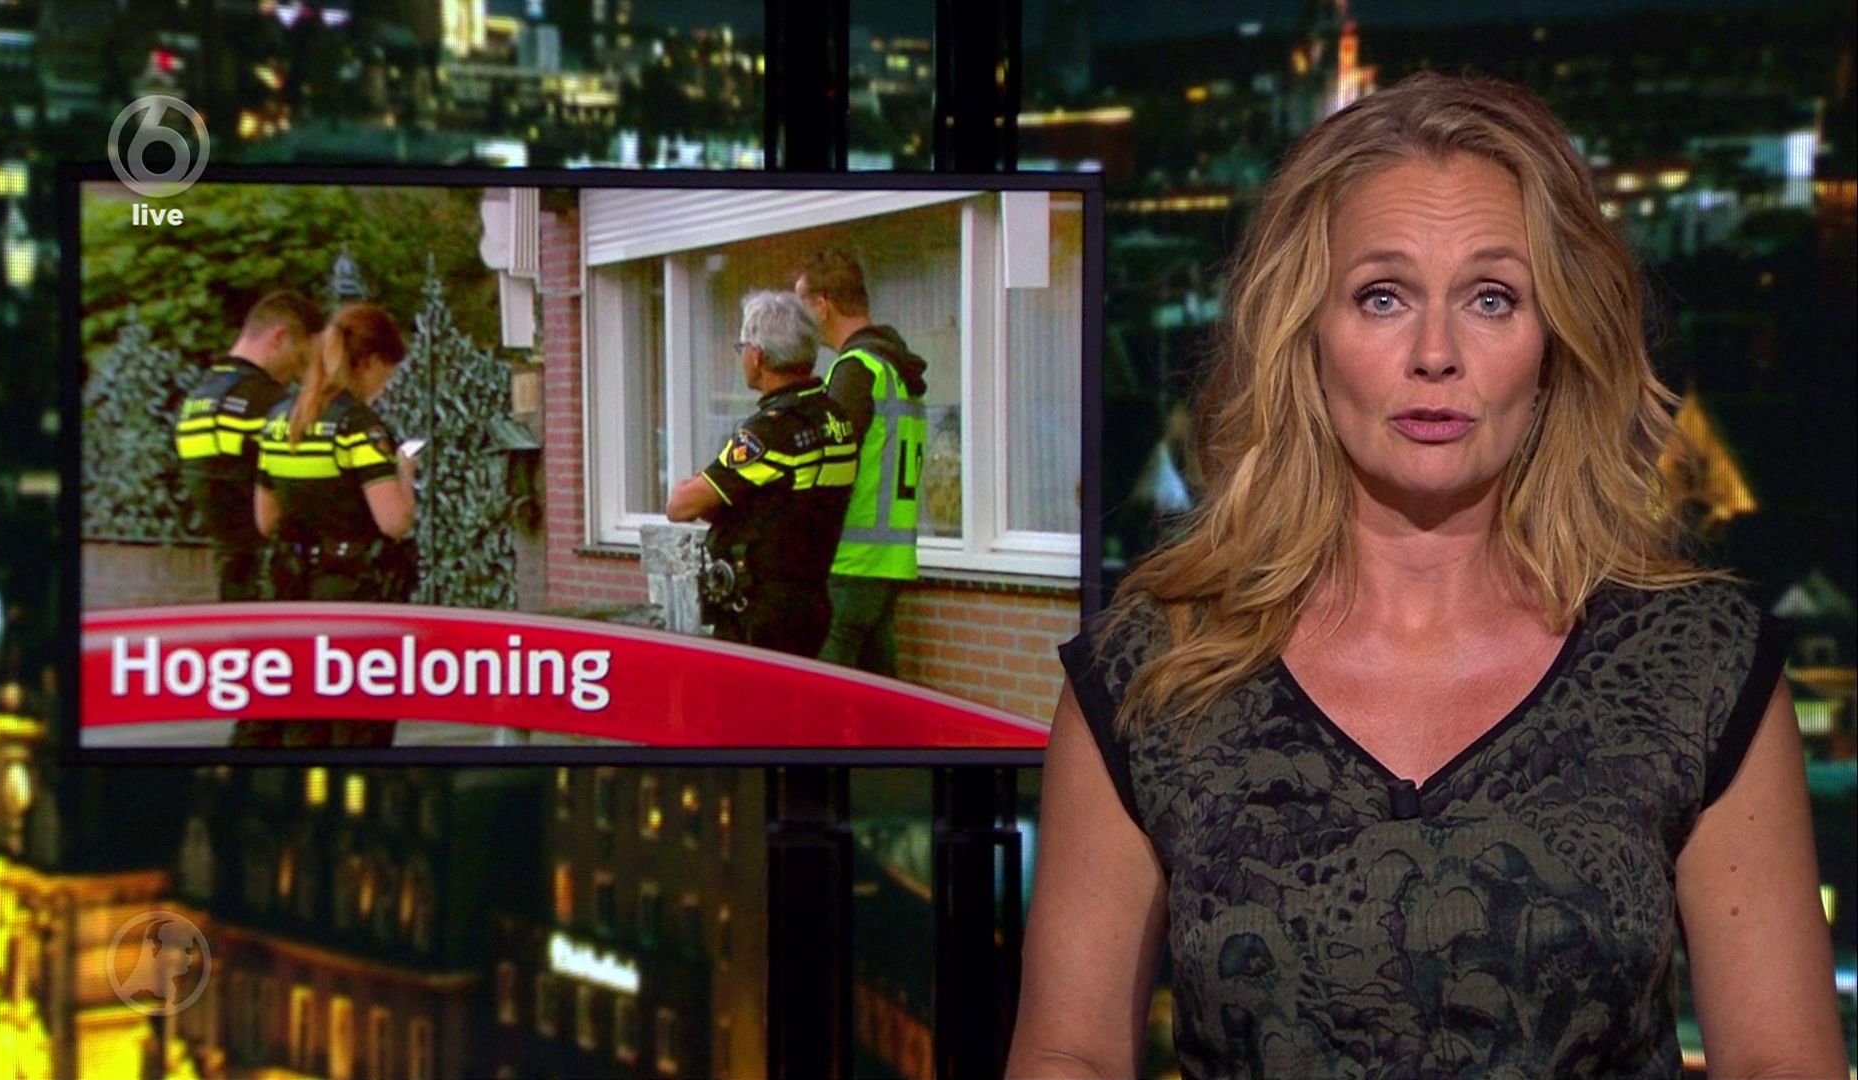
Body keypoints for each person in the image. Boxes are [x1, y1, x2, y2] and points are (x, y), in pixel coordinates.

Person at [1008, 72, 1848, 1079]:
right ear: (1304, 334)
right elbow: (1069, 1057)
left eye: (1492, 298)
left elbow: (1780, 1063)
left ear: (1556, 342)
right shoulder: (1151, 676)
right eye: (1383, 296)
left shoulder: (1700, 671)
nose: (1436, 354)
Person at [235, 302, 415, 748]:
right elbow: (394, 522)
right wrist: (404, 472)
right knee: (359, 725)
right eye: (387, 373)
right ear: (370, 362)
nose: (384, 385)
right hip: (355, 596)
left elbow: (266, 520)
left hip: (293, 592)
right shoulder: (358, 426)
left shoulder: (279, 422)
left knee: (305, 720)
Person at [667, 289, 860, 657]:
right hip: (813, 601)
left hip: (760, 619)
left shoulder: (771, 430)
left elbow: (680, 505)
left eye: (743, 348)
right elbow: (784, 498)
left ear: (757, 357)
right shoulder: (835, 418)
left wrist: (705, 492)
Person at [794, 249, 928, 677]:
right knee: (877, 693)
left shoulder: (855, 370)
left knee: (821, 695)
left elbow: (829, 466)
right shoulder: (895, 368)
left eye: (801, 305)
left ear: (823, 305)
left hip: (849, 563)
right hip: (889, 562)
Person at [173, 290, 323, 601]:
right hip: (277, 577)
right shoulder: (269, 403)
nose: (299, 374)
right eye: (301, 359)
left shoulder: (197, 399)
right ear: (279, 337)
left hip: (230, 576)